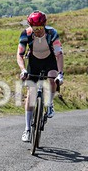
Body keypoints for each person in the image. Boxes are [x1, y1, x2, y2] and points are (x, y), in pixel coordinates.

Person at [16, 10, 63, 142]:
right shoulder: (26, 34)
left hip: (50, 61)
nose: (37, 30)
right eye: (34, 28)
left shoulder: (52, 33)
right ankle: (27, 129)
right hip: (34, 62)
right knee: (31, 96)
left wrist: (61, 73)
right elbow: (20, 55)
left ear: (45, 25)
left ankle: (50, 103)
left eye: (40, 28)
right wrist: (23, 69)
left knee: (52, 79)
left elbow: (59, 54)